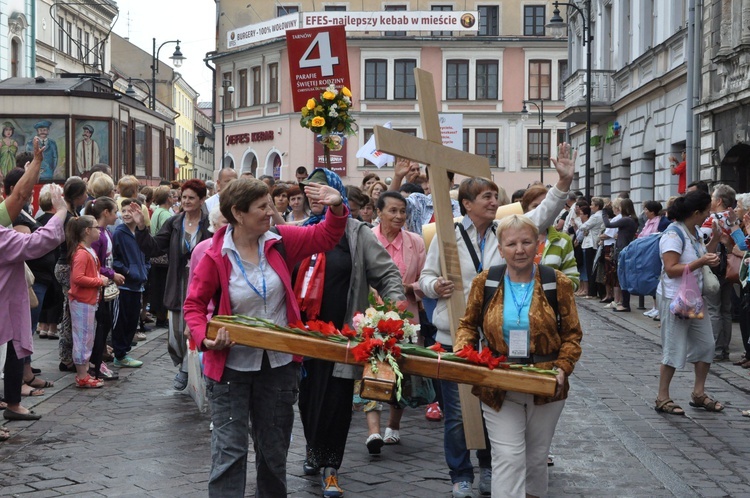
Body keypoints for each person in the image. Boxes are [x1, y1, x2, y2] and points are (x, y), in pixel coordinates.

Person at [418, 143, 575, 498]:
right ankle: (460, 474)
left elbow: (539, 218)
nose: (493, 201)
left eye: (495, 195)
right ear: (467, 204)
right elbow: (425, 276)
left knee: (495, 412)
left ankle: (491, 470)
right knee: (458, 416)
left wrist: (562, 184)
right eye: (486, 196)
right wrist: (435, 285)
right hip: (457, 335)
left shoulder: (506, 230)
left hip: (500, 344)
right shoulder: (444, 233)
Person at [183, 176, 348, 497]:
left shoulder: (280, 240)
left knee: (273, 455)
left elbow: (327, 235)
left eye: (271, 205)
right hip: (230, 368)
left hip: (279, 368)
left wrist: (337, 204)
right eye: (262, 206)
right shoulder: (215, 254)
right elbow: (193, 305)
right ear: (238, 213)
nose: (271, 213)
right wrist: (206, 338)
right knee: (229, 454)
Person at [454, 214, 583, 498]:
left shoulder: (555, 282)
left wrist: (563, 368)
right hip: (498, 379)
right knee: (509, 457)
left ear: (538, 244)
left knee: (536, 459)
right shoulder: (486, 281)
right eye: (511, 243)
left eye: (526, 242)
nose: (520, 249)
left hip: (546, 382)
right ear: (501, 249)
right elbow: (467, 325)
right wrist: (466, 354)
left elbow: (572, 334)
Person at [294, 169, 404, 497]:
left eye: (322, 190)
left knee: (336, 402)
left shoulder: (357, 233)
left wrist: (395, 313)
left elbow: (386, 273)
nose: (315, 197)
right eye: (309, 191)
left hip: (343, 336)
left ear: (337, 194)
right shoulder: (299, 231)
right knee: (307, 399)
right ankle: (314, 449)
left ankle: (331, 467)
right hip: (302, 335)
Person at [132, 179, 211, 390]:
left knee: (196, 327)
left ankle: (187, 369)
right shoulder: (175, 223)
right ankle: (185, 363)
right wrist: (141, 228)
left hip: (202, 283)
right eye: (183, 197)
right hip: (178, 282)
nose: (186, 201)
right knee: (176, 333)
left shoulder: (209, 223)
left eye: (191, 198)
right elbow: (155, 248)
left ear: (202, 200)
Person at [362, 191, 426, 454]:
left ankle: (393, 427)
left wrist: (409, 287)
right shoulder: (365, 238)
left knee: (400, 372)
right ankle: (373, 432)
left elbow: (426, 279)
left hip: (405, 318)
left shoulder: (416, 242)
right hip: (368, 317)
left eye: (403, 211)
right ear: (379, 212)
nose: (399, 216)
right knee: (369, 370)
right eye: (393, 211)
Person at [1, 187, 68, 427]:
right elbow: (37, 242)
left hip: (10, 302)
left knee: (17, 349)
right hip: (6, 303)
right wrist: (61, 212)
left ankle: (13, 402)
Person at [655, 190, 724, 415]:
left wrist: (714, 240)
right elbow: (671, 269)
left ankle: (698, 393)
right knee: (674, 347)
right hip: (675, 298)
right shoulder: (673, 235)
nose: (708, 215)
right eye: (706, 212)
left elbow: (701, 255)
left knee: (706, 345)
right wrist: (701, 261)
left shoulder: (694, 232)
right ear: (696, 212)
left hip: (693, 297)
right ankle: (662, 397)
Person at [67, 215, 109, 388]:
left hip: (88, 300)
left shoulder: (86, 251)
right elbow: (78, 278)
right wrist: (99, 281)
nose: (98, 229)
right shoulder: (82, 253)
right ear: (87, 231)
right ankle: (82, 375)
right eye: (95, 227)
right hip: (82, 301)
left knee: (87, 337)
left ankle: (84, 372)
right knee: (83, 338)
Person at [85, 196, 123, 381]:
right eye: (115, 212)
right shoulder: (97, 236)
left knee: (105, 324)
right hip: (98, 288)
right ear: (106, 213)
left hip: (105, 286)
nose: (117, 216)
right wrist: (111, 274)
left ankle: (98, 360)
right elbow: (94, 263)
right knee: (101, 325)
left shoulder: (106, 233)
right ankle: (95, 363)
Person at [55, 177, 90, 373]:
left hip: (66, 265)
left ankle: (68, 355)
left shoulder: (71, 213)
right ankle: (66, 357)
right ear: (77, 195)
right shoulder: (69, 217)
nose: (86, 196)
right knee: (70, 312)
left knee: (69, 311)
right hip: (67, 266)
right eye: (84, 193)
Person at [520, 185, 580, 290]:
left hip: (550, 304)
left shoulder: (563, 240)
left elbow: (573, 281)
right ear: (526, 211)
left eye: (546, 206)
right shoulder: (515, 240)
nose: (542, 211)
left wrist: (549, 287)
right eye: (535, 206)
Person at [112, 199, 149, 368]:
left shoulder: (141, 232)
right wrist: (127, 271)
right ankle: (120, 354)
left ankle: (124, 352)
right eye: (124, 210)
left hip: (137, 283)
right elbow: (115, 258)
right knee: (123, 320)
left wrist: (145, 270)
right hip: (125, 284)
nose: (126, 214)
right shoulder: (119, 232)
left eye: (130, 211)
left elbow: (146, 254)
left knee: (133, 319)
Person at [602, 198, 639, 312]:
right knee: (622, 277)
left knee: (622, 277)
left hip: (622, 250)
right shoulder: (632, 220)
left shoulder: (626, 220)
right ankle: (624, 303)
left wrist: (604, 211)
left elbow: (608, 224)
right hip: (625, 248)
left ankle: (625, 304)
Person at [148, 185, 173, 327]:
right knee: (162, 287)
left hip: (156, 255)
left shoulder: (157, 211)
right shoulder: (165, 214)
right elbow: (166, 236)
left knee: (158, 286)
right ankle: (162, 316)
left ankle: (160, 315)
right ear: (168, 198)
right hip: (163, 256)